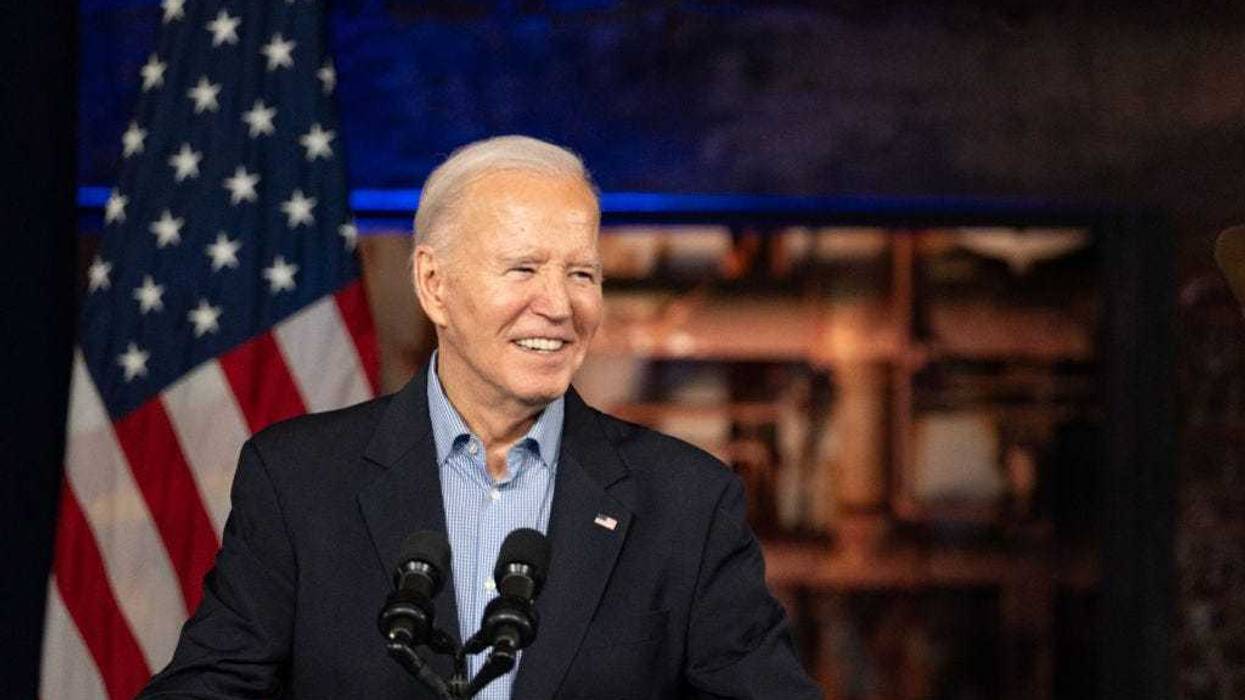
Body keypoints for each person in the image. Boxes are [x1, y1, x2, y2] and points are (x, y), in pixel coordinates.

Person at [140, 135, 821, 699]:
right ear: (434, 284)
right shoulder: (298, 480)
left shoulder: (688, 501)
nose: (559, 305)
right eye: (523, 269)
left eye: (581, 274)